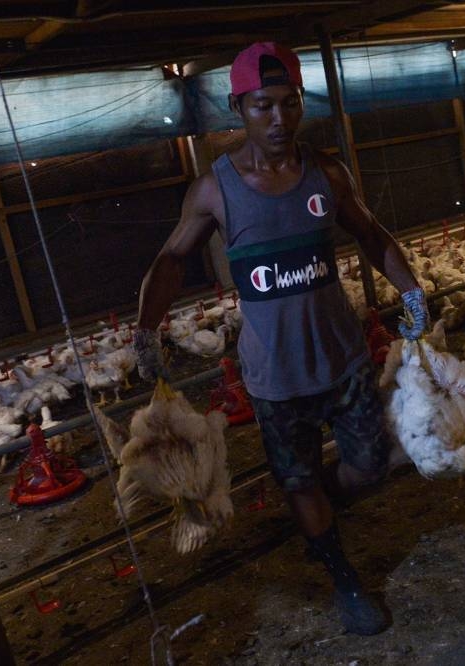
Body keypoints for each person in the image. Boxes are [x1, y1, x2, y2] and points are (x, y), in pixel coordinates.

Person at [132, 42, 428, 636]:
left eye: (289, 104)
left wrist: (413, 291)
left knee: (368, 467)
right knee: (297, 481)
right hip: (275, 381)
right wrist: (146, 328)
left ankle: (318, 511)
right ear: (238, 107)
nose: (278, 119)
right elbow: (170, 259)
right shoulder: (216, 189)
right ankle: (344, 578)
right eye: (262, 105)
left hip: (342, 362)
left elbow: (371, 234)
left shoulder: (327, 173)